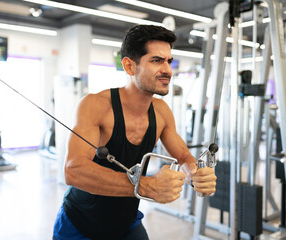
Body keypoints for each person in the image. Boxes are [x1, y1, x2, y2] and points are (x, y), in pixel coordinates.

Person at [53, 24, 217, 240]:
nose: (167, 69)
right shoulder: (96, 105)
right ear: (129, 66)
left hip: (127, 224)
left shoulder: (161, 111)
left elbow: (184, 157)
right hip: (80, 224)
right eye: (156, 60)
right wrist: (146, 186)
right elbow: (73, 171)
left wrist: (196, 174)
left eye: (169, 61)